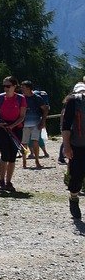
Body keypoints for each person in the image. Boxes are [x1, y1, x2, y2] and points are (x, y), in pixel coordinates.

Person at [0, 76, 26, 196]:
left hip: (16, 130)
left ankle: (8, 181)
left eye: (8, 86)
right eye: (4, 86)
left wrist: (13, 125)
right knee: (5, 155)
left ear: (14, 86)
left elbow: (22, 116)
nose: (5, 88)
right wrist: (0, 124)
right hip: (2, 129)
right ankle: (1, 181)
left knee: (12, 156)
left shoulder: (21, 99)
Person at [59, 82, 85, 220]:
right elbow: (66, 125)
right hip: (78, 145)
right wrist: (67, 146)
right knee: (77, 176)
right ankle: (74, 197)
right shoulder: (74, 101)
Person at [20, 80, 47, 169]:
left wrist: (43, 121)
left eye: (23, 87)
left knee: (35, 142)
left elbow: (45, 109)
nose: (21, 89)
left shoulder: (37, 98)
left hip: (36, 123)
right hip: (24, 124)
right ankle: (24, 162)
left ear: (28, 88)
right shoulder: (21, 98)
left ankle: (37, 161)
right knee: (24, 143)